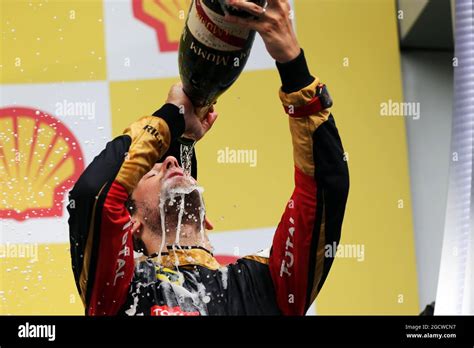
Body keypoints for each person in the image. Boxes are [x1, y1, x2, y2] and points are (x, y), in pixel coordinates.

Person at [68, 0, 349, 316]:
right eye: (149, 171)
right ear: (130, 224)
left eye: (170, 161)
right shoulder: (121, 290)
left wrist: (292, 64)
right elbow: (94, 194)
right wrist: (173, 117)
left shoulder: (266, 285)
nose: (170, 163)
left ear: (206, 218)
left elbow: (325, 187)